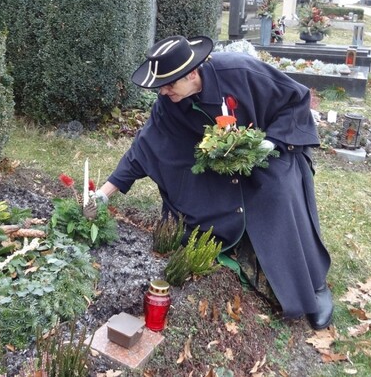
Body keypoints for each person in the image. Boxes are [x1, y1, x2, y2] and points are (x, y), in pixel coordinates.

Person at [93, 35, 334, 330]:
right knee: (197, 192)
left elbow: (295, 99)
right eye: (161, 85)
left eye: (170, 84)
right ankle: (230, 235)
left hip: (273, 149)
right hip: (217, 164)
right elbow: (144, 148)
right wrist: (105, 193)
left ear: (193, 73)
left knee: (277, 191)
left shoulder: (241, 71)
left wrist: (268, 143)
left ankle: (313, 284)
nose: (164, 91)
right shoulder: (169, 103)